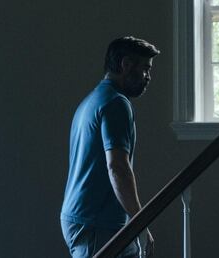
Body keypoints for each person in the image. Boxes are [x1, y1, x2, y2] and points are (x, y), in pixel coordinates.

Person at [60, 36, 159, 257]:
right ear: (126, 65)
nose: (148, 77)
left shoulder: (92, 100)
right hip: (96, 222)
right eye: (145, 69)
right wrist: (140, 222)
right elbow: (118, 168)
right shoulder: (116, 103)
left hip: (87, 218)